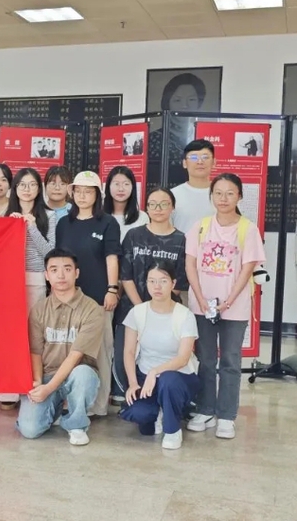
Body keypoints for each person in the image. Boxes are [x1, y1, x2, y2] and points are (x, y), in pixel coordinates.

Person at [185, 173, 266, 440]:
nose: (223, 198)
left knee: (230, 361)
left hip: (235, 306)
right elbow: (190, 264)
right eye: (218, 193)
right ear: (212, 196)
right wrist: (200, 297)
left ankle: (227, 416)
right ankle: (205, 410)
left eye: (230, 193)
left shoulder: (248, 229)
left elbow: (247, 268)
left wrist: (229, 300)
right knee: (206, 359)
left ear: (239, 196)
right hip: (203, 305)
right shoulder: (200, 227)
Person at [16, 248, 102, 446]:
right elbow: (35, 352)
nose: (61, 275)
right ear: (46, 275)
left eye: (67, 269)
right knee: (29, 430)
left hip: (76, 374)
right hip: (47, 374)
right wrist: (39, 385)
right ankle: (52, 411)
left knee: (84, 374)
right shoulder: (39, 309)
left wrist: (49, 389)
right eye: (54, 270)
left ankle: (76, 425)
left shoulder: (91, 309)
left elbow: (75, 356)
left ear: (76, 273)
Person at [55, 170, 121, 416]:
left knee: (101, 351)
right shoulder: (64, 223)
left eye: (88, 191)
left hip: (98, 297)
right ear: (72, 193)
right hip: (68, 298)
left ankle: (98, 405)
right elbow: (58, 260)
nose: (82, 196)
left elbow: (112, 258)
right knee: (69, 351)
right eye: (78, 191)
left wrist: (112, 289)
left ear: (97, 195)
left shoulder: (108, 223)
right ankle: (72, 403)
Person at [114, 187, 187, 401]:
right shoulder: (134, 235)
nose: (158, 208)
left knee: (160, 357)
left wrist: (155, 310)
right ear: (146, 208)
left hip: (165, 312)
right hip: (132, 308)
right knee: (125, 353)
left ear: (172, 208)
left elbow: (179, 281)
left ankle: (160, 396)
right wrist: (141, 308)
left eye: (164, 204)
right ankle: (127, 393)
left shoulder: (181, 240)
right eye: (153, 204)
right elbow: (125, 275)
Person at [120, 261, 200, 450]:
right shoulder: (137, 312)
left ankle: (173, 431)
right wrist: (133, 383)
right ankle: (161, 411)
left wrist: (155, 371)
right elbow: (129, 352)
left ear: (173, 284)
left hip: (179, 377)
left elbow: (182, 358)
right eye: (152, 281)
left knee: (168, 380)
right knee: (139, 416)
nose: (157, 287)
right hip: (145, 377)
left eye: (163, 281)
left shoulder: (185, 315)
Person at [0, 167, 56, 411]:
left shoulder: (49, 216)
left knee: (33, 335)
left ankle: (32, 385)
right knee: (10, 334)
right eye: (22, 184)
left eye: (32, 184)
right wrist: (10, 226)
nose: (27, 189)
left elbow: (49, 252)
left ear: (39, 189)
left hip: (35, 279)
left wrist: (31, 226)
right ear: (15, 188)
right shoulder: (4, 215)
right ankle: (8, 390)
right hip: (8, 281)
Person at [170, 139, 216, 235]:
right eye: (194, 157)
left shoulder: (223, 194)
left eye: (205, 157)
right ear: (184, 163)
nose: (200, 161)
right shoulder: (173, 195)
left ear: (214, 162)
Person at [103, 165, 149, 242]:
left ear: (133, 187)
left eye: (126, 184)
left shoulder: (142, 217)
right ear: (108, 187)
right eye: (116, 184)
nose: (121, 189)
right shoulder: (99, 216)